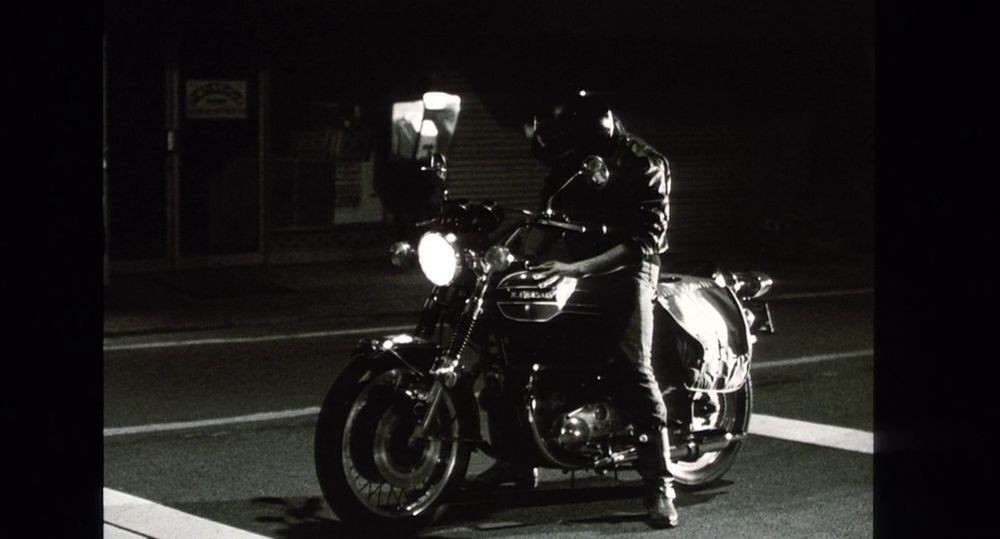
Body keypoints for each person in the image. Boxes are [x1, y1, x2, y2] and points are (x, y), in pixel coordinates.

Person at [469, 92, 677, 528]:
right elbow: (548, 217)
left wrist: (574, 267)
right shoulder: (574, 159)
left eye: (585, 130)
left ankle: (659, 482)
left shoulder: (645, 162)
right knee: (508, 346)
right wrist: (513, 256)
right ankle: (517, 460)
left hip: (628, 270)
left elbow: (643, 242)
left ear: (606, 119)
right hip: (574, 267)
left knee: (633, 365)